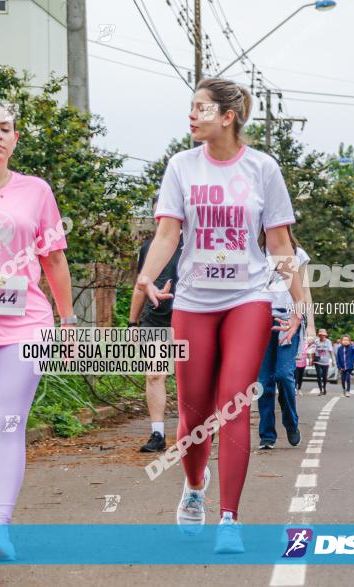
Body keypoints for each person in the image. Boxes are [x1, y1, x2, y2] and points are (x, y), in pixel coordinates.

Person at [136, 78, 305, 554]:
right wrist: (146, 278)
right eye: (190, 108)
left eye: (201, 108)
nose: (191, 116)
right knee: (192, 412)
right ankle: (194, 488)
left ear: (228, 116)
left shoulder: (262, 168)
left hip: (247, 298)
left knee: (234, 403)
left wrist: (294, 300)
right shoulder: (181, 166)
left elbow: (278, 244)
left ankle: (230, 516)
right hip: (192, 301)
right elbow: (168, 233)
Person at [0, 96, 75, 561]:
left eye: (4, 128)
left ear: (14, 137)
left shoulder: (36, 190)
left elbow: (53, 257)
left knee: (6, 423)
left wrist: (67, 320)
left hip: (25, 323)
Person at [129, 199, 184, 453]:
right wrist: (132, 324)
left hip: (188, 316)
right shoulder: (148, 248)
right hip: (155, 320)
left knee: (192, 377)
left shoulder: (194, 245)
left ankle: (196, 428)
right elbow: (140, 286)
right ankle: (158, 433)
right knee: (154, 374)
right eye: (157, 212)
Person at [257, 226, 315, 449]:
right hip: (260, 321)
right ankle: (267, 435)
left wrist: (310, 326)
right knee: (263, 382)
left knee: (283, 375)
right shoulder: (256, 251)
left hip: (289, 320)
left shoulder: (297, 253)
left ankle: (291, 422)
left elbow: (305, 291)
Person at [312, 329, 333, 395]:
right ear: (319, 335)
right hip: (317, 361)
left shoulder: (328, 341)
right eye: (321, 335)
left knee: (324, 376)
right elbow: (313, 351)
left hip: (325, 361)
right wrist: (312, 360)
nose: (322, 336)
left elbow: (331, 351)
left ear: (325, 335)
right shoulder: (316, 341)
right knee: (319, 375)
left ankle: (324, 388)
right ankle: (320, 390)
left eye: (323, 335)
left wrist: (333, 360)